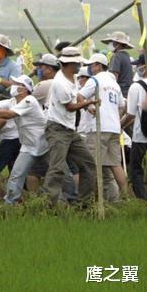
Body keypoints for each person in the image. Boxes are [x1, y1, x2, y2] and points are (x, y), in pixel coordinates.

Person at [0, 75, 48, 204]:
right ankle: (10, 203)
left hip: (43, 145)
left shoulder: (29, 100)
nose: (12, 86)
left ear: (24, 89)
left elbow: (9, 114)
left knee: (57, 172)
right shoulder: (13, 101)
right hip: (28, 146)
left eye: (16, 84)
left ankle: (65, 199)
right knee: (16, 174)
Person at [42, 47, 97, 205]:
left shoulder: (72, 78)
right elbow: (70, 107)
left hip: (70, 129)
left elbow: (77, 96)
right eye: (77, 63)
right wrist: (90, 102)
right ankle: (49, 205)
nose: (80, 66)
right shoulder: (60, 83)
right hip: (57, 129)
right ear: (68, 64)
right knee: (57, 168)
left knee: (88, 164)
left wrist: (87, 107)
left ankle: (83, 203)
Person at [79, 53, 127, 200]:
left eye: (91, 65)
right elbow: (123, 106)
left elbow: (79, 96)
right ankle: (124, 197)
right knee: (115, 164)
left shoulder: (95, 80)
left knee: (91, 164)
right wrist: (114, 118)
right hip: (114, 129)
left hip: (98, 128)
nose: (90, 68)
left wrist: (89, 108)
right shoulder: (114, 84)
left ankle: (90, 199)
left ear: (98, 66)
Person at [121, 55, 147, 199]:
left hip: (141, 134)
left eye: (140, 64)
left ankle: (143, 199)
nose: (138, 67)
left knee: (135, 169)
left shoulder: (136, 86)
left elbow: (130, 114)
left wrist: (119, 126)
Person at [103, 31, 134, 97]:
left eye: (112, 42)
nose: (110, 44)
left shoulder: (117, 56)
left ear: (118, 44)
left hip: (120, 91)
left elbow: (114, 76)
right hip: (128, 90)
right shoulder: (126, 56)